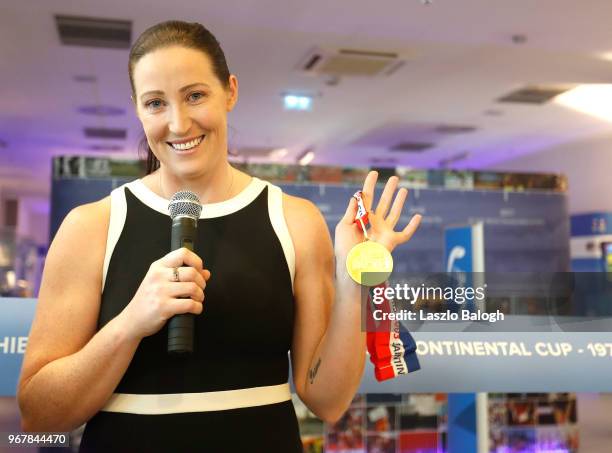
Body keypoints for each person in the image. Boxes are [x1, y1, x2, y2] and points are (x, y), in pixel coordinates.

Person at [16, 20, 421, 452]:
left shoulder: (294, 221)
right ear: (137, 108)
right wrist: (130, 323)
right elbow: (40, 413)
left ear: (229, 91)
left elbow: (328, 400)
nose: (178, 123)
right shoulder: (92, 226)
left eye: (195, 95)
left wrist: (358, 278)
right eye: (156, 103)